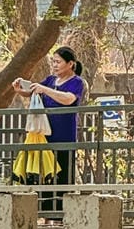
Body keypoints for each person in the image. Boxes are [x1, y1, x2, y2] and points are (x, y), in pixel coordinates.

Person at [12, 45, 86, 214]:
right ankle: (45, 214)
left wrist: (45, 89)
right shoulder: (50, 80)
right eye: (53, 61)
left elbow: (68, 99)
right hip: (45, 137)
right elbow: (33, 92)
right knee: (44, 175)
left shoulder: (77, 82)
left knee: (63, 176)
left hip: (64, 136)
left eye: (58, 62)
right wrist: (21, 91)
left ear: (70, 64)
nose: (54, 65)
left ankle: (60, 214)